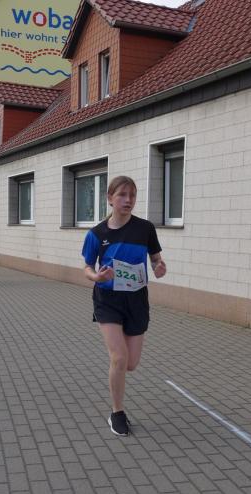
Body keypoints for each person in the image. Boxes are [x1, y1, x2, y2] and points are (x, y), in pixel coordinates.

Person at [81, 176, 166, 436]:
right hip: (108, 299)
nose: (128, 200)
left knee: (130, 363)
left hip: (136, 299)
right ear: (110, 198)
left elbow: (155, 258)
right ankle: (117, 412)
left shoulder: (145, 228)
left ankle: (118, 383)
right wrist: (97, 277)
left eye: (132, 195)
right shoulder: (97, 234)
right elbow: (87, 267)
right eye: (122, 195)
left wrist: (158, 267)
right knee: (119, 358)